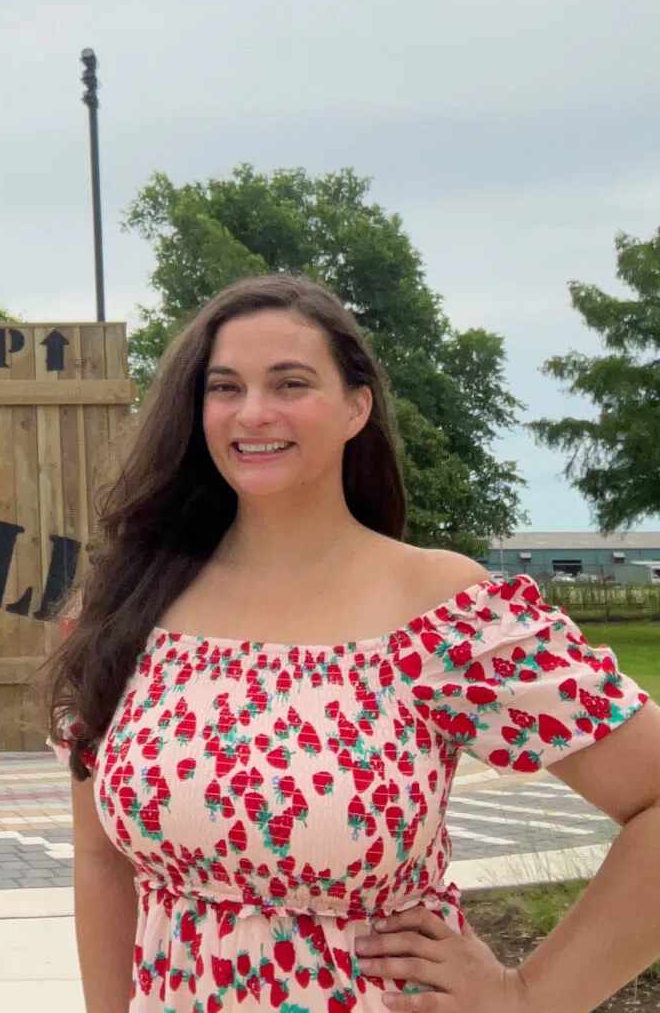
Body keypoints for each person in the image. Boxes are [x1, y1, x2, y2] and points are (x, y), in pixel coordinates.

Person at [45, 274, 660, 1012]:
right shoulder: (122, 608)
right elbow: (100, 860)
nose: (254, 412)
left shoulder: (443, 613)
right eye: (225, 387)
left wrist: (527, 996)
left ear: (355, 407)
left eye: (291, 383)